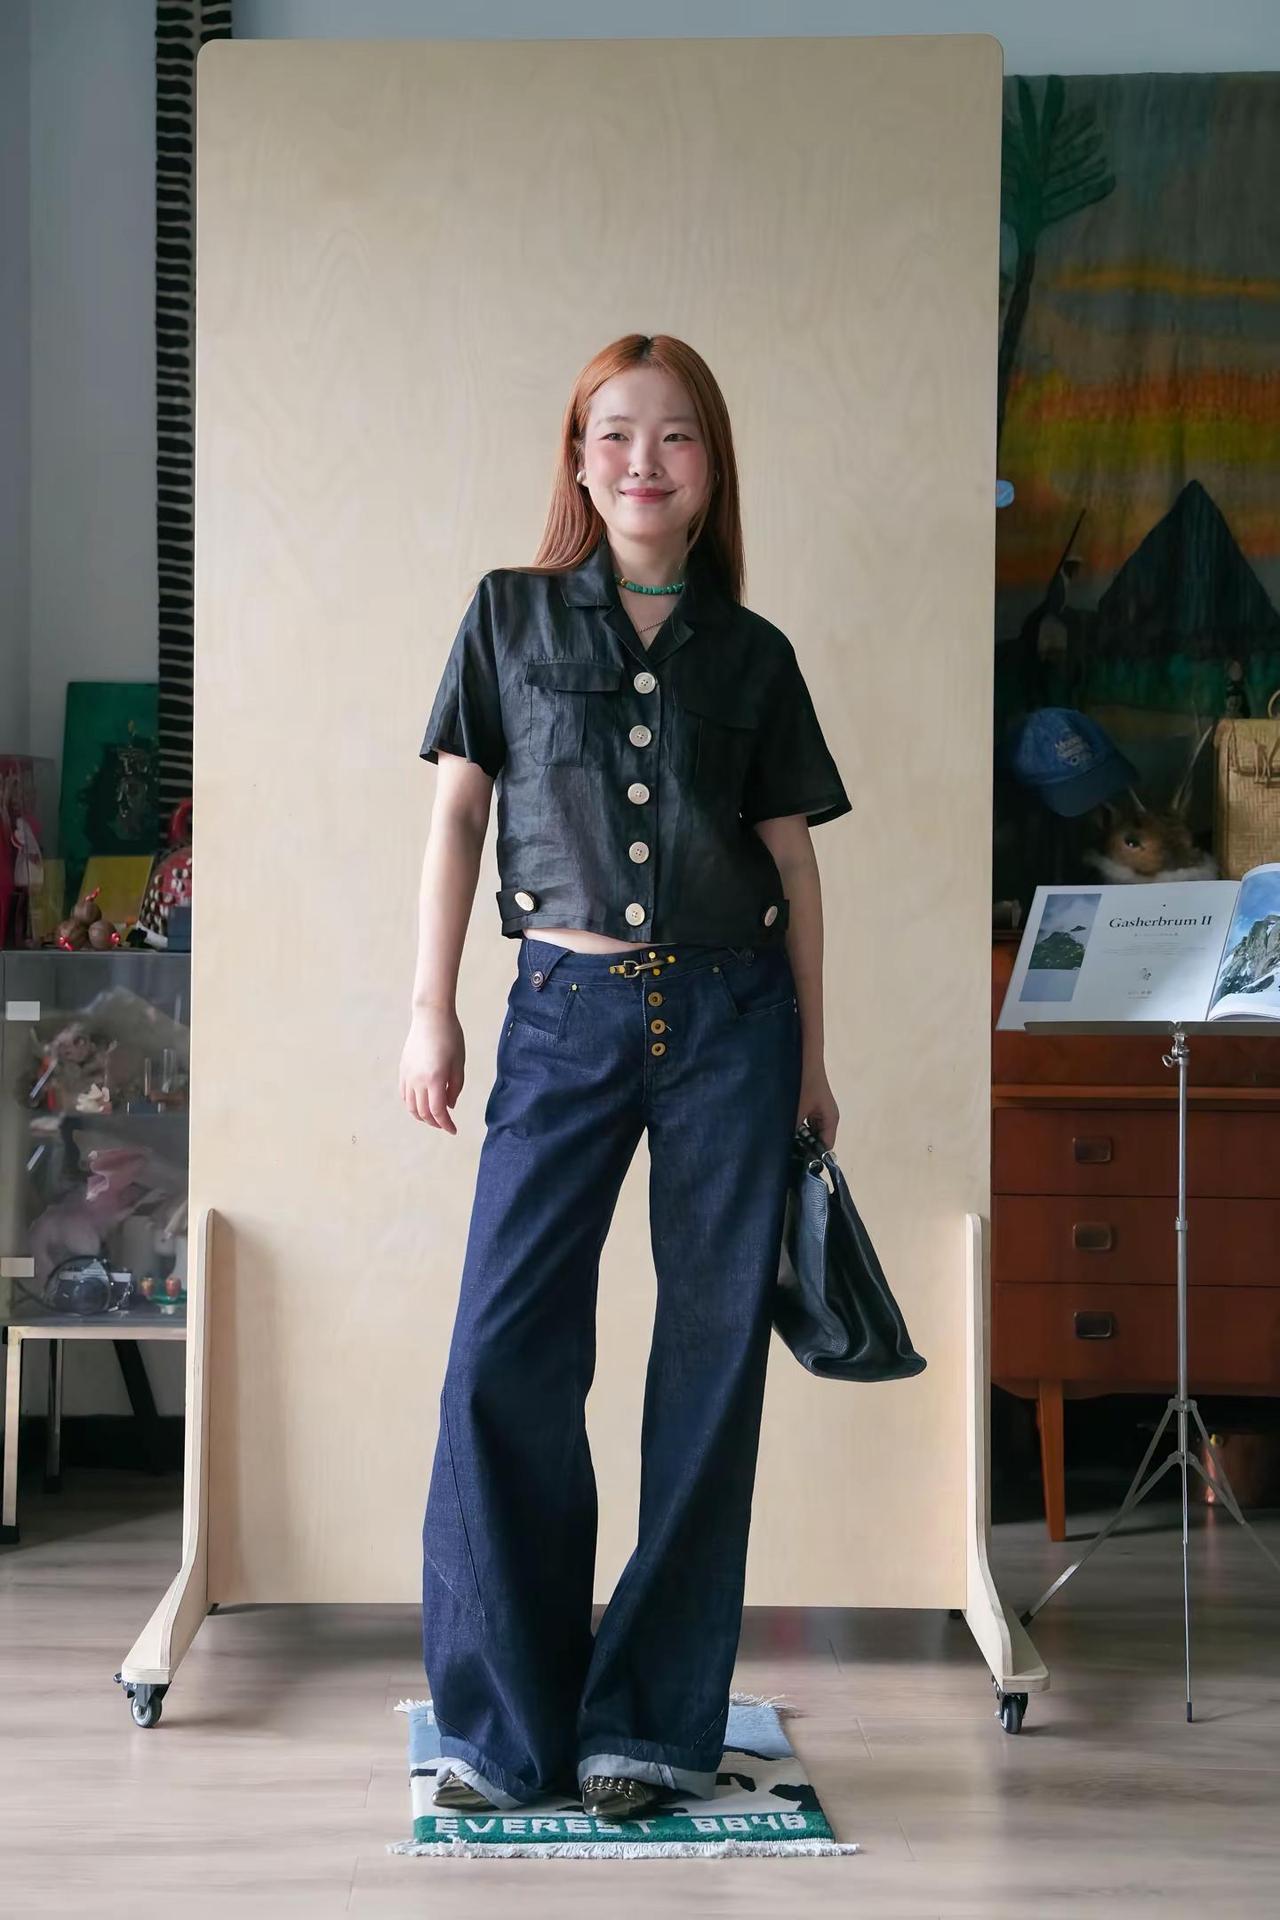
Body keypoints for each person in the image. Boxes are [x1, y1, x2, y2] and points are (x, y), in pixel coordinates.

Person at [398, 332, 851, 1821]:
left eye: (675, 436)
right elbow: (458, 820)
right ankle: (502, 1729)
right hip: (561, 1014)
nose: (642, 460)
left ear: (711, 469)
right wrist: (431, 1010)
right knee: (506, 1350)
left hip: (734, 1025)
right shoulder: (509, 616)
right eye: (613, 433)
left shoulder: (755, 656)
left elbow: (794, 866)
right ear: (579, 461)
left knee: (708, 1369)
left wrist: (814, 1060)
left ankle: (646, 1730)